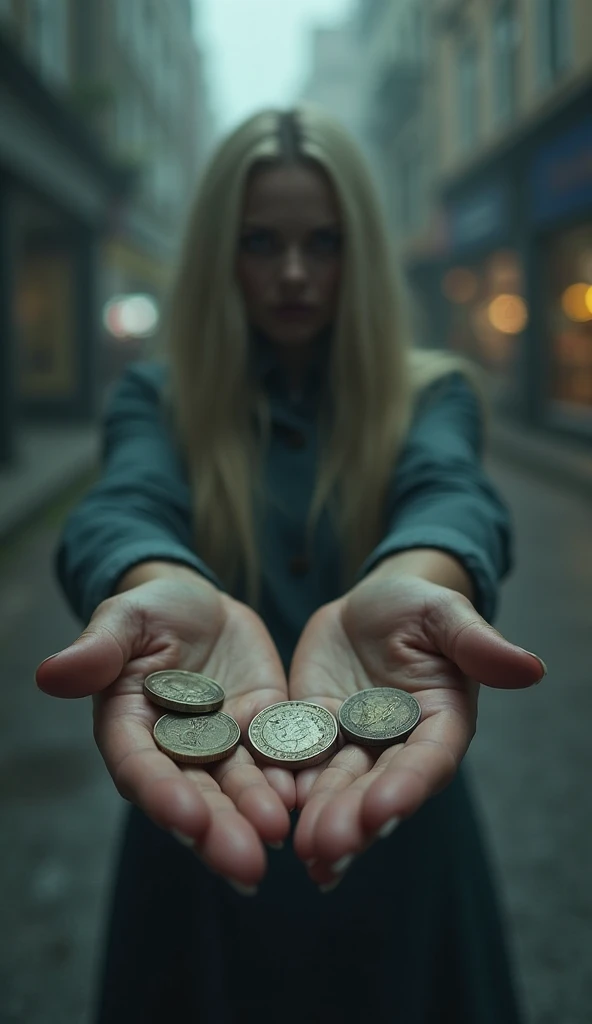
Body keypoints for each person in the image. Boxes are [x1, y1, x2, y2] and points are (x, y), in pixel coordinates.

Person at [36, 107, 545, 1024]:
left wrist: (425, 578)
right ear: (217, 255)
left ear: (364, 251)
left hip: (392, 821)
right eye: (262, 242)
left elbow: (451, 492)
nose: (297, 272)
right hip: (203, 835)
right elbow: (124, 503)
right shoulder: (157, 396)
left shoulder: (436, 391)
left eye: (326, 241)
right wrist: (152, 580)